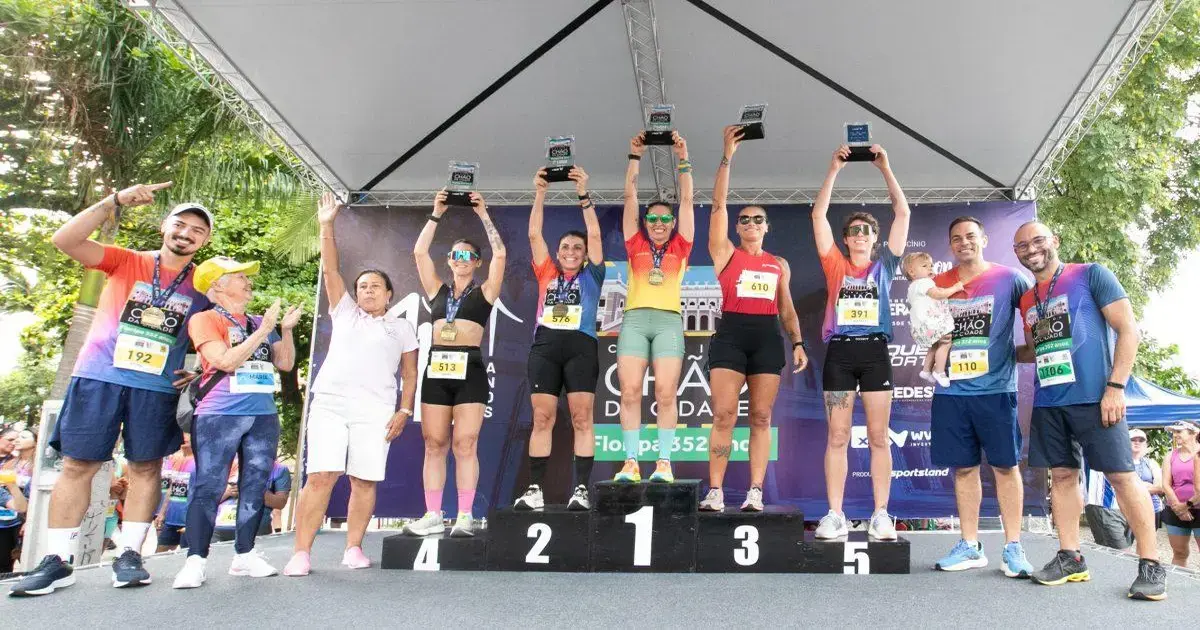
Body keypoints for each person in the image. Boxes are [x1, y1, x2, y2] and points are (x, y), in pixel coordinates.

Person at [11, 183, 212, 597]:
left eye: (197, 230)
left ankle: (130, 556)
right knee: (77, 466)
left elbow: (214, 336)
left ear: (205, 240)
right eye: (181, 224)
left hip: (156, 388)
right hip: (99, 376)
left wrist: (199, 371)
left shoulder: (204, 288)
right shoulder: (126, 261)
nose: (187, 233)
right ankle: (57, 561)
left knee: (146, 468)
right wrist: (115, 200)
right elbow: (64, 240)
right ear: (164, 227)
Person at [1013, 221, 1166, 600]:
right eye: (1021, 245)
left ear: (1055, 241)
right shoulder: (1028, 300)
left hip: (1096, 398)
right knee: (1062, 478)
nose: (1030, 249)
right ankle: (1071, 557)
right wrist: (995, 353)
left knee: (1122, 477)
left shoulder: (1091, 274)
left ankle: (1151, 564)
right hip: (1049, 401)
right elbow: (1036, 349)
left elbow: (1128, 330)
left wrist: (1115, 388)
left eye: (1038, 240)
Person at [284, 192, 418, 576]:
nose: (368, 291)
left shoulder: (403, 327)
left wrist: (404, 410)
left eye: (375, 286)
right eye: (362, 286)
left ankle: (353, 548)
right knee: (321, 475)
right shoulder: (344, 313)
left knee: (364, 479)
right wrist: (326, 225)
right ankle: (301, 553)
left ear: (389, 293)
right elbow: (330, 271)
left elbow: (409, 374)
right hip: (330, 404)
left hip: (375, 411)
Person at [171, 257, 301, 589]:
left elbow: (285, 363)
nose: (247, 281)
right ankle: (195, 560)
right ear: (217, 285)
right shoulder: (205, 319)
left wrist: (284, 329)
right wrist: (261, 332)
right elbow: (224, 360)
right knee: (209, 486)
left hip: (262, 414)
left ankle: (245, 555)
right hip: (219, 414)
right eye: (239, 276)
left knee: (256, 484)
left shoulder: (260, 321)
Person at [699, 126, 808, 512]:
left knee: (761, 416)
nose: (749, 223)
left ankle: (755, 491)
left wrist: (797, 341)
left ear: (766, 226)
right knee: (725, 414)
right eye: (743, 219)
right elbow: (716, 206)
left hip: (765, 337)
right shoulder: (726, 253)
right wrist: (727, 155)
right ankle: (715, 490)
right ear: (737, 226)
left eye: (756, 219)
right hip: (730, 333)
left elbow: (787, 308)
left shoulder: (779, 264)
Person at [924, 217, 1034, 577]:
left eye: (970, 236)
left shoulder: (1010, 278)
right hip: (952, 391)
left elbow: (1035, 318)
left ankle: (1013, 547)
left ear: (984, 239)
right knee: (964, 468)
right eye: (956, 238)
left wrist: (1022, 352)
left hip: (996, 390)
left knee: (1005, 466)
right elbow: (928, 331)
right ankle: (970, 545)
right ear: (950, 245)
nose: (964, 242)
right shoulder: (937, 283)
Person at [811, 144, 910, 540]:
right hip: (840, 353)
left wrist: (885, 167)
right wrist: (834, 169)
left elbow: (902, 212)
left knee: (876, 436)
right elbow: (817, 214)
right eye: (852, 231)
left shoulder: (885, 264)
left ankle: (881, 514)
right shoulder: (834, 263)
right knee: (837, 435)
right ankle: (835, 514)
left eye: (866, 231)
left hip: (874, 353)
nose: (859, 236)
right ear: (845, 238)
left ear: (875, 238)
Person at [405, 190, 505, 537]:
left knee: (465, 443)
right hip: (437, 369)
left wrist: (483, 215)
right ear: (449, 260)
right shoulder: (437, 291)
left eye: (469, 255)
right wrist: (436, 213)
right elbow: (419, 252)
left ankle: (465, 515)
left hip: (470, 369)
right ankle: (432, 514)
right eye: (456, 254)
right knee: (434, 443)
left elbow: (502, 254)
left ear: (477, 262)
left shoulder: (486, 291)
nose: (462, 259)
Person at [513, 166, 605, 511]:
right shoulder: (547, 271)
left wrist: (584, 193)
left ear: (584, 253)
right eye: (565, 246)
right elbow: (535, 235)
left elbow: (594, 235)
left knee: (582, 418)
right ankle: (535, 489)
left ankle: (580, 489)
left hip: (581, 346)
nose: (570, 251)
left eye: (576, 247)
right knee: (542, 418)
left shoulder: (593, 274)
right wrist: (540, 193)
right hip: (546, 346)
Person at [613, 131, 694, 484]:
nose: (658, 224)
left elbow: (688, 199)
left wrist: (684, 156)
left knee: (664, 392)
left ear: (672, 224)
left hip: (668, 323)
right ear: (645, 224)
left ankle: (664, 462)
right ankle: (631, 462)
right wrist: (635, 157)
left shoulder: (681, 247)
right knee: (629, 392)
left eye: (665, 219)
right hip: (634, 320)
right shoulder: (634, 245)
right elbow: (629, 196)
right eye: (653, 219)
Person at [901, 252, 958, 388]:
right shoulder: (924, 283)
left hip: (922, 328)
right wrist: (956, 287)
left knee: (934, 345)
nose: (930, 268)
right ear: (912, 272)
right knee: (945, 342)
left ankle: (926, 370)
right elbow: (937, 295)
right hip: (933, 323)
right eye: (925, 266)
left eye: (931, 265)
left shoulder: (912, 287)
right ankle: (939, 371)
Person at [214, 458, 290, 543]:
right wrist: (227, 492)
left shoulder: (279, 469)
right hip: (219, 530)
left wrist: (254, 490)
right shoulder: (225, 464)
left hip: (255, 530)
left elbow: (280, 503)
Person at [1160, 421, 1199, 567]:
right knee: (1179, 552)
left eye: (1179, 431)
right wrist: (1178, 507)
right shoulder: (1170, 455)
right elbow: (1166, 484)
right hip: (1175, 510)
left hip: (1197, 507)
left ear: (1194, 433)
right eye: (1174, 432)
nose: (1175, 435)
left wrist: (1186, 506)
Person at [154, 435, 194, 553]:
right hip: (171, 518)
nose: (185, 437)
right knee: (160, 553)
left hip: (189, 519)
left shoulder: (202, 461)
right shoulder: (176, 458)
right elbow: (172, 487)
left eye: (188, 433)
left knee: (186, 554)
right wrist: (161, 513)